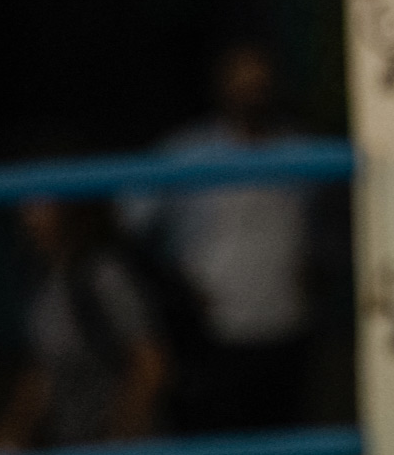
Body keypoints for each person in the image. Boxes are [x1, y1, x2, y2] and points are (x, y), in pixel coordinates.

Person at [120, 41, 312, 432]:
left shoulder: (302, 151)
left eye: (259, 82)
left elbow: (320, 232)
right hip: (212, 334)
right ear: (221, 86)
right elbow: (129, 226)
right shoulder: (187, 154)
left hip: (287, 326)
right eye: (241, 82)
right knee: (216, 454)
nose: (251, 91)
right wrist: (175, 289)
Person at [0, 199, 167, 455]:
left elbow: (150, 364)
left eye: (42, 203)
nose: (28, 213)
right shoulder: (42, 274)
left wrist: (115, 449)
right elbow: (43, 368)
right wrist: (12, 432)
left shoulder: (103, 274)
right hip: (72, 453)